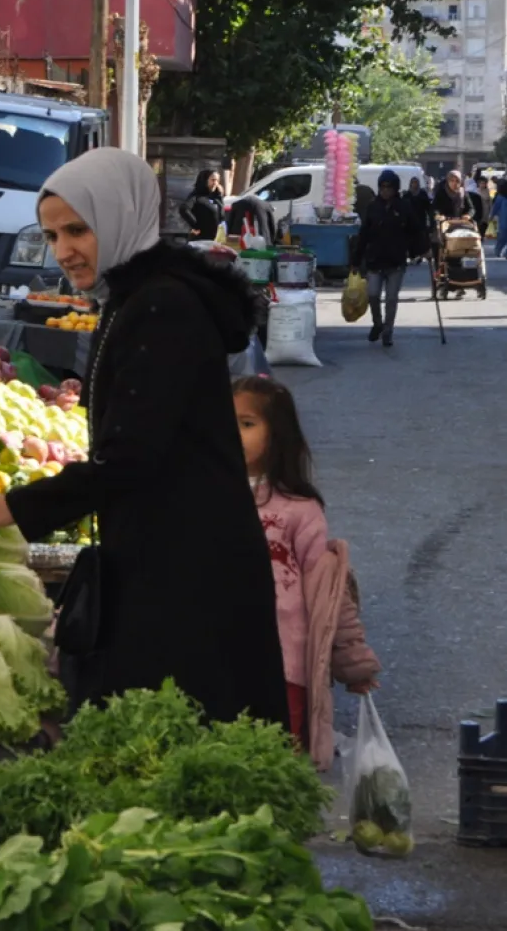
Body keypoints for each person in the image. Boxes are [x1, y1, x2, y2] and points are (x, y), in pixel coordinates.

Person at [0, 147, 288, 729]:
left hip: (187, 564)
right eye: (52, 234)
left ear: (116, 216)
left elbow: (131, 456)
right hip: (164, 547)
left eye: (77, 230)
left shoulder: (163, 306)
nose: (64, 251)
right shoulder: (133, 295)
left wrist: (19, 505)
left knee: (184, 735)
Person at [233, 376, 380, 769]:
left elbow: (330, 595)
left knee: (280, 766)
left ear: (277, 434)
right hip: (223, 657)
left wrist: (355, 664)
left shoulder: (299, 511)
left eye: (247, 424)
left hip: (286, 666)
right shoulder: (205, 498)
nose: (234, 434)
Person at [351, 170, 417, 347]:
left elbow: (415, 232)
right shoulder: (373, 207)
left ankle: (388, 330)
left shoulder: (404, 207)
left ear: (395, 189)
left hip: (396, 261)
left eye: (389, 187)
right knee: (373, 295)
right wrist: (356, 261)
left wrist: (422, 250)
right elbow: (363, 234)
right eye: (382, 187)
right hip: (375, 260)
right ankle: (377, 323)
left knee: (391, 299)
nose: (385, 190)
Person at [182, 170, 225, 242]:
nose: (215, 183)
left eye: (217, 180)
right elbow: (184, 209)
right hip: (200, 240)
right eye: (213, 180)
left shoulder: (215, 197)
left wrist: (219, 196)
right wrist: (196, 225)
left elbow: (222, 216)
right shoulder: (196, 196)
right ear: (204, 180)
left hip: (215, 240)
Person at [403, 176, 434, 264]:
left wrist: (431, 220)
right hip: (410, 223)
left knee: (421, 240)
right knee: (411, 240)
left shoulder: (422, 194)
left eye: (416, 182)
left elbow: (428, 207)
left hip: (421, 221)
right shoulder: (407, 195)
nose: (414, 184)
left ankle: (420, 255)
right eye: (413, 182)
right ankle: (412, 255)